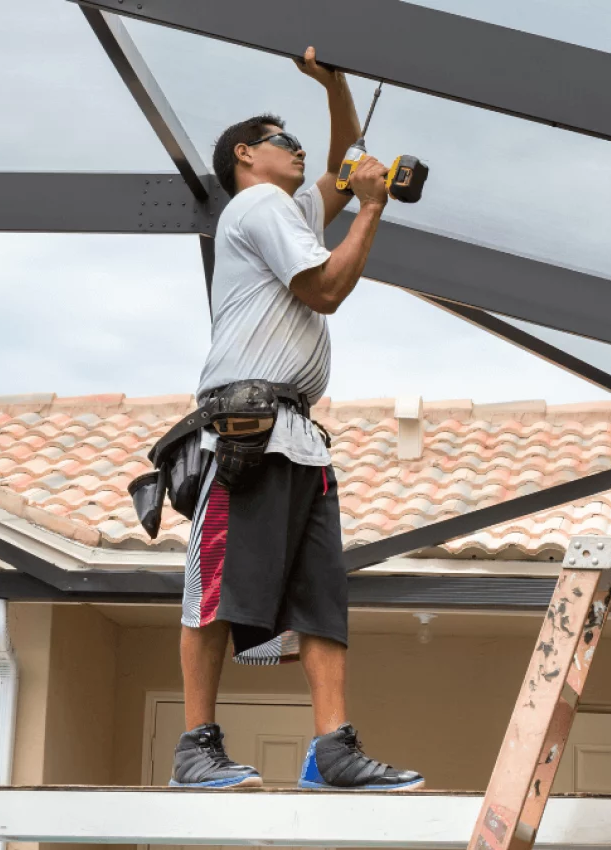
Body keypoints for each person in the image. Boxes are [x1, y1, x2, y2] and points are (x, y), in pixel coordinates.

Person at [170, 47, 424, 792]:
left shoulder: (290, 210)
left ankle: (334, 749)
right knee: (215, 588)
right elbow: (324, 290)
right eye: (284, 139)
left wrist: (334, 85)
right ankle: (194, 748)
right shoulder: (257, 206)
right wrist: (374, 206)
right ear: (247, 156)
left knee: (320, 595)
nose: (300, 149)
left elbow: (344, 162)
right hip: (246, 428)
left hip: (296, 436)